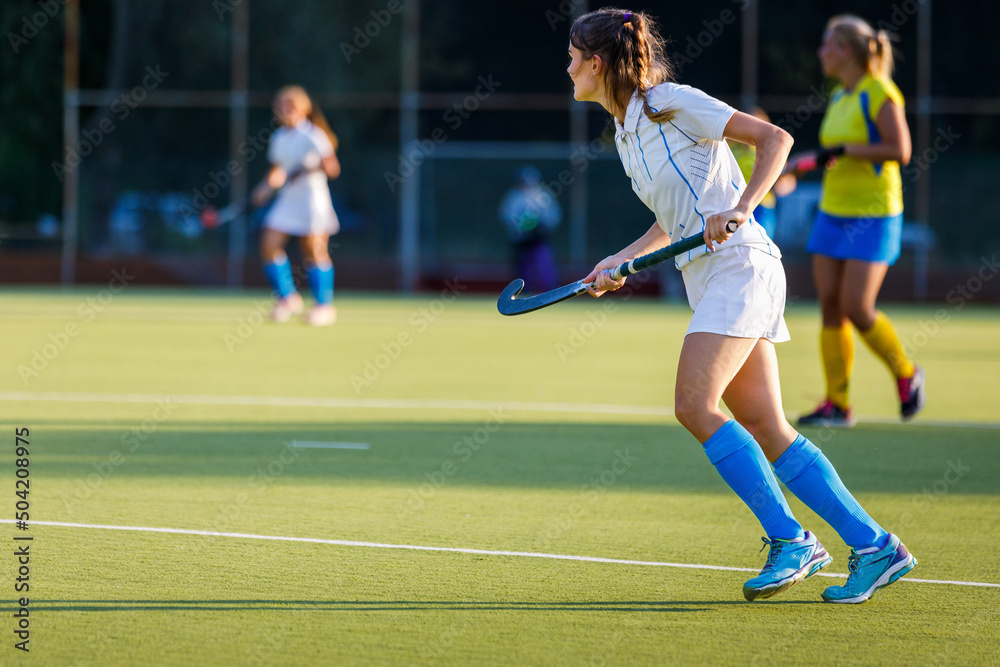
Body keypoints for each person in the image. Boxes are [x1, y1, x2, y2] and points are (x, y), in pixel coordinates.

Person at [569, 7, 915, 603]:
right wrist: (617, 262)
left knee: (693, 403)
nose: (567, 67)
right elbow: (669, 219)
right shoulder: (626, 129)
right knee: (767, 425)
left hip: (741, 267)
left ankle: (790, 539)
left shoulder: (670, 101)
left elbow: (773, 140)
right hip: (705, 276)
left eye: (573, 56)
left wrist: (744, 205)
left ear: (597, 64)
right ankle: (877, 545)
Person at [798, 15, 924, 427]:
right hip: (833, 212)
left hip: (874, 215)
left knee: (857, 306)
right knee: (831, 308)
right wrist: (818, 158)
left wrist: (848, 149)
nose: (821, 53)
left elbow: (900, 150)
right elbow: (837, 150)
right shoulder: (839, 97)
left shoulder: (879, 92)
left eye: (826, 45)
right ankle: (838, 405)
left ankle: (906, 372)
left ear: (846, 51)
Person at [252, 85, 341, 326]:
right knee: (268, 244)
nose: (284, 111)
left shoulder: (314, 135)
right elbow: (277, 171)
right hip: (288, 200)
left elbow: (332, 168)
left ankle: (324, 306)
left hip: (312, 199)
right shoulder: (279, 137)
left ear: (303, 109)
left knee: (314, 251)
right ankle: (288, 298)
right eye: (280, 106)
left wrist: (310, 167)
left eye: (290, 106)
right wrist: (264, 189)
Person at [726, 107, 797, 240]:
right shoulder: (729, 149)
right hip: (733, 206)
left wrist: (782, 179)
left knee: (758, 246)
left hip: (762, 207)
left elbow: (787, 184)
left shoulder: (771, 151)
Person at [499, 166, 562, 293]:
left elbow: (553, 216)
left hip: (539, 237)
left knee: (544, 264)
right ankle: (521, 290)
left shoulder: (543, 195)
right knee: (521, 266)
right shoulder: (513, 197)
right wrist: (521, 226)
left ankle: (550, 290)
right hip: (520, 239)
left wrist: (540, 225)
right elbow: (506, 216)